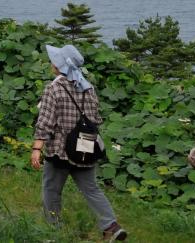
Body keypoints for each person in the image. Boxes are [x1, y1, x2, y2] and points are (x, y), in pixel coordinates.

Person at [31, 44, 127, 241]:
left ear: (59, 66)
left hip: (59, 151)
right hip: (85, 148)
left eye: (54, 61)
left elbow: (46, 122)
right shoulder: (88, 88)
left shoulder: (53, 89)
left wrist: (36, 148)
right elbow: (96, 119)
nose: (52, 63)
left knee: (51, 190)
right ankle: (111, 225)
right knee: (91, 189)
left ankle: (53, 229)